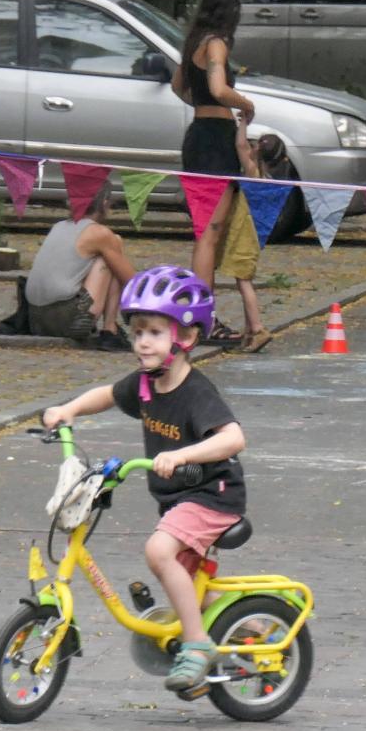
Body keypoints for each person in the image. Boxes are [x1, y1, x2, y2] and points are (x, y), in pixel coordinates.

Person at [41, 268, 248, 695]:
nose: (143, 343)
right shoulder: (146, 385)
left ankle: (197, 644)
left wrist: (182, 454)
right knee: (189, 589)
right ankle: (253, 633)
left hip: (212, 496)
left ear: (185, 339)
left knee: (158, 550)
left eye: (155, 332)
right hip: (177, 499)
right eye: (137, 333)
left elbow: (234, 438)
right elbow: (108, 395)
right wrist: (69, 410)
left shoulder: (195, 392)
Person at [172, 0, 271, 353]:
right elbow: (218, 87)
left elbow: (177, 87)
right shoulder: (216, 43)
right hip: (215, 140)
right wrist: (245, 104)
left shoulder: (192, 42)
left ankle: (200, 314)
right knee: (209, 235)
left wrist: (200, 102)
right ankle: (203, 318)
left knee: (205, 232)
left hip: (197, 136)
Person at [25, 184, 138, 350]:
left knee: (100, 254)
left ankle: (109, 328)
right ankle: (110, 329)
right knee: (111, 252)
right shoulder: (99, 233)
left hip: (34, 320)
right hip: (71, 322)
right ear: (105, 203)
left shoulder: (59, 226)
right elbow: (131, 280)